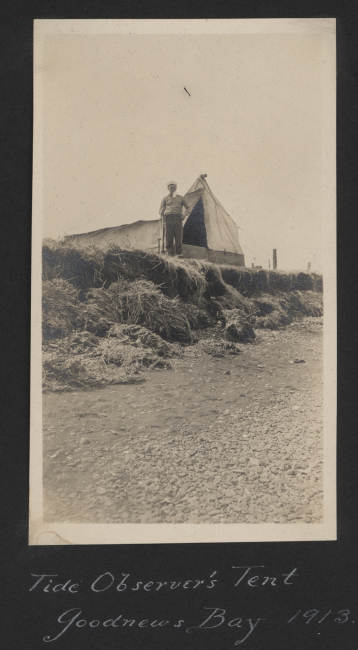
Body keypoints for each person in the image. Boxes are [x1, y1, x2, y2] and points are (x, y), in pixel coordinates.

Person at [159, 182, 189, 256]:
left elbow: (188, 207)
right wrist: (162, 212)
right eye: (171, 188)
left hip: (178, 219)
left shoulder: (181, 198)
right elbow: (161, 209)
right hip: (168, 219)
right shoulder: (165, 199)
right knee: (169, 238)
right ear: (168, 189)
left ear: (176, 188)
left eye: (174, 188)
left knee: (178, 238)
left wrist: (185, 214)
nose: (172, 189)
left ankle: (179, 256)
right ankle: (170, 256)